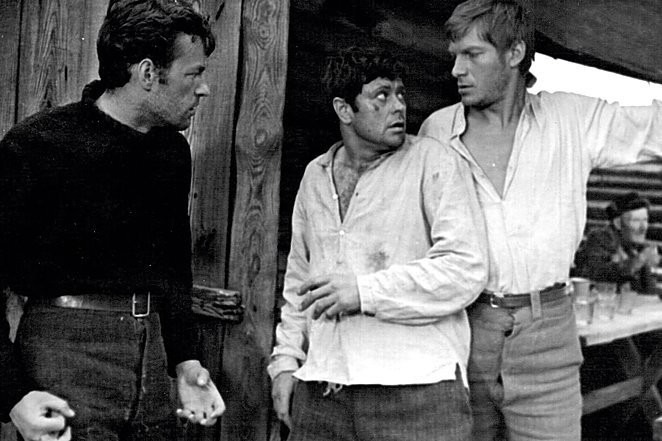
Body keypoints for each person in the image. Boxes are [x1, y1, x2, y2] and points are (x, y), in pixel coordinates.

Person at [418, 0, 662, 439]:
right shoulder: (437, 132)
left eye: (473, 55)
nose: (457, 69)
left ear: (514, 53)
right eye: (455, 55)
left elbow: (654, 128)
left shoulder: (571, 120)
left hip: (548, 334)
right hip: (461, 333)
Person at [0, 0, 226, 439]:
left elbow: (173, 268)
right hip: (64, 360)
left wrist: (187, 362)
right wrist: (11, 394)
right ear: (148, 73)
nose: (204, 89)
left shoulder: (170, 152)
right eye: (194, 74)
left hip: (151, 366)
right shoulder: (37, 146)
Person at [268, 47, 488, 441]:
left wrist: (365, 292)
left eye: (401, 94)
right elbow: (299, 278)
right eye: (381, 96)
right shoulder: (316, 175)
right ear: (344, 109)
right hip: (324, 388)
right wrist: (286, 361)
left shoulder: (434, 162)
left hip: (418, 387)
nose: (398, 106)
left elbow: (465, 268)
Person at [574, 191, 660, 294]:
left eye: (645, 220)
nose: (643, 227)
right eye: (636, 220)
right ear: (618, 223)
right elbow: (597, 272)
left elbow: (648, 291)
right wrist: (639, 261)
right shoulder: (599, 239)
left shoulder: (635, 246)